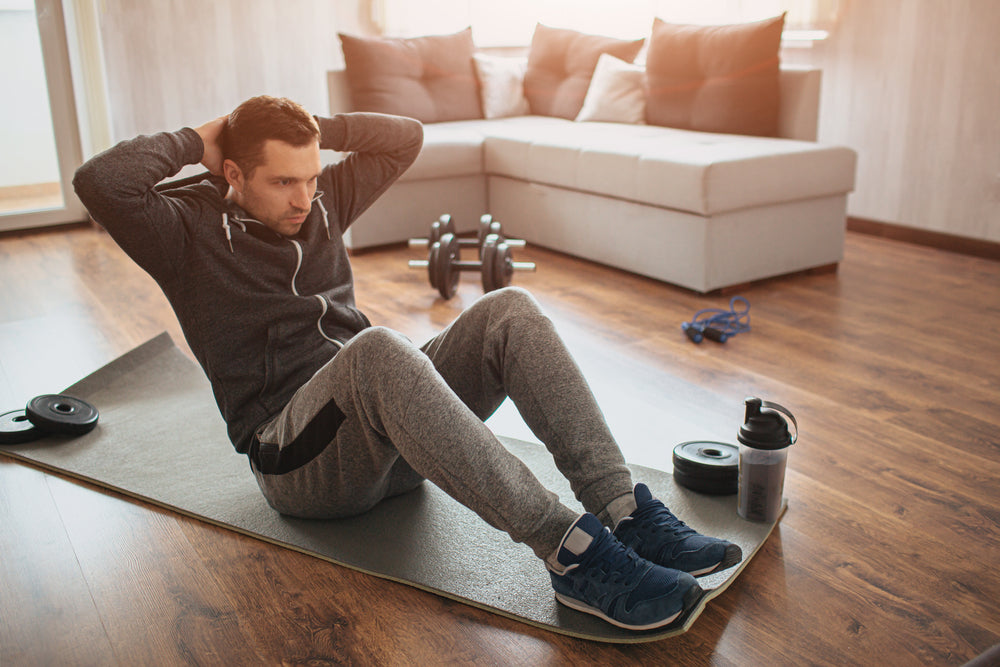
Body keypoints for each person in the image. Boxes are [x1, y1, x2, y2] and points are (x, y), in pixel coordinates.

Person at [73, 96, 742, 631]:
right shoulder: (184, 230)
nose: (304, 199)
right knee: (379, 351)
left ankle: (624, 511)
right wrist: (206, 133)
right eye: (282, 181)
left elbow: (404, 136)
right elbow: (98, 181)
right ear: (233, 173)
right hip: (298, 461)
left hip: (390, 436)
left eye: (310, 177)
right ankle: (571, 553)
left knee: (507, 308)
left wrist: (311, 128)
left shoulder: (319, 202)